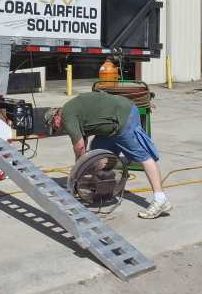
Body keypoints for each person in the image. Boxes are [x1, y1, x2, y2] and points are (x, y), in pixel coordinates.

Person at [43, 91, 172, 219]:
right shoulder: (72, 110)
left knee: (143, 157)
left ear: (56, 117)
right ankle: (107, 186)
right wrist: (82, 166)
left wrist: (78, 170)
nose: (58, 129)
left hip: (122, 117)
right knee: (97, 154)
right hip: (113, 121)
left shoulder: (67, 115)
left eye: (55, 127)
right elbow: (83, 141)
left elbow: (79, 146)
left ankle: (160, 199)